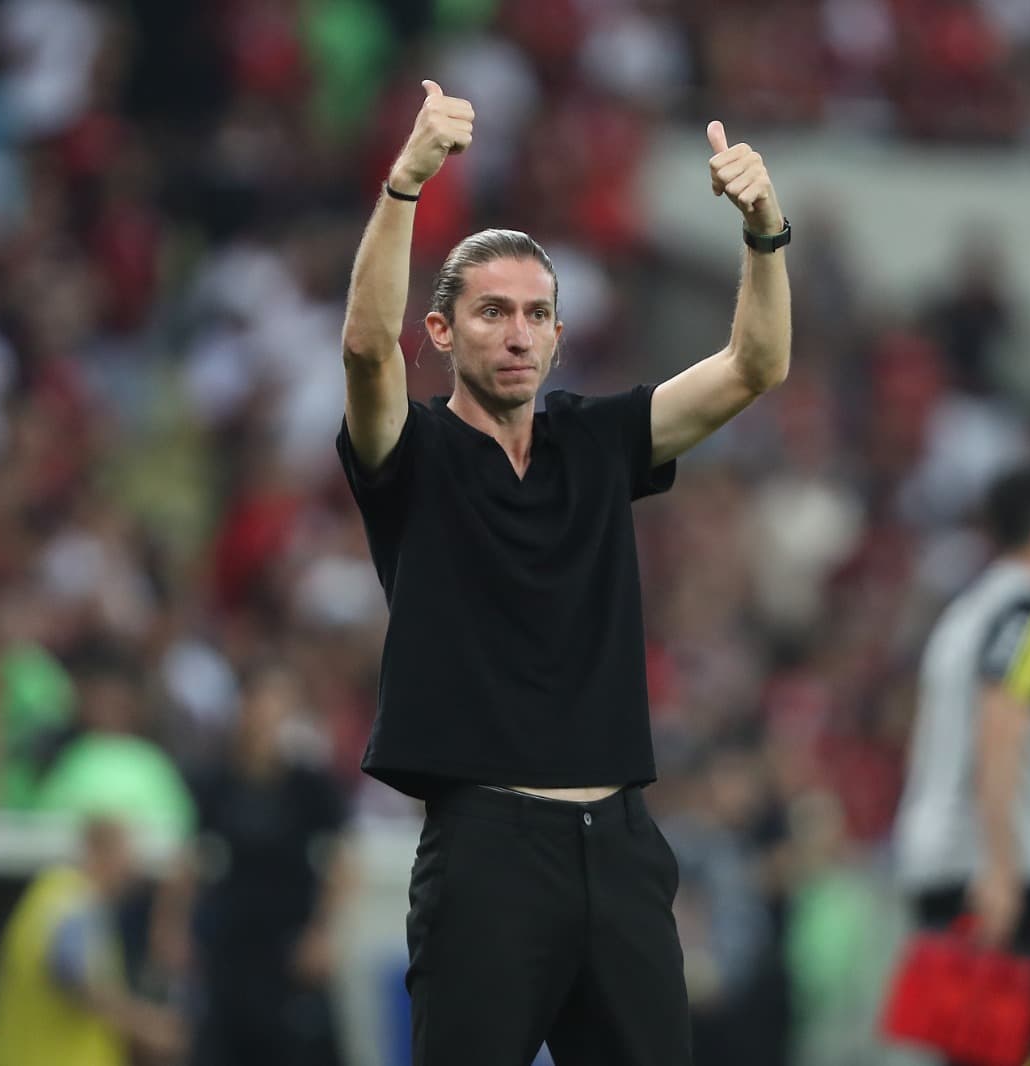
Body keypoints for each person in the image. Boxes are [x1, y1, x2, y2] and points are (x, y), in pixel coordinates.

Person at [335, 78, 792, 1065]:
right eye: (491, 312)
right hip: (487, 847)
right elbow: (367, 347)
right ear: (441, 332)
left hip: (621, 845)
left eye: (536, 314)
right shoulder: (413, 454)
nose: (516, 332)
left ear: (557, 336)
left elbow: (754, 365)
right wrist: (407, 183)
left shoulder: (596, 440)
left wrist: (764, 232)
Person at [893, 458, 1030, 1064]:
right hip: (1002, 868)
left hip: (942, 860)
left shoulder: (967, 612)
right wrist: (1001, 868)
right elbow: (1002, 724)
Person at [186, 663, 354, 1066]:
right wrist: (175, 927)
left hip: (291, 943)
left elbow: (342, 862)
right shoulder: (216, 783)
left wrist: (322, 933)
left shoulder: (310, 786)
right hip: (233, 941)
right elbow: (194, 859)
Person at [0, 816, 182, 1066]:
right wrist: (149, 1026)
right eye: (127, 856)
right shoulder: (77, 906)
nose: (132, 870)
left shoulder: (46, 896)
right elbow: (79, 980)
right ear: (99, 852)